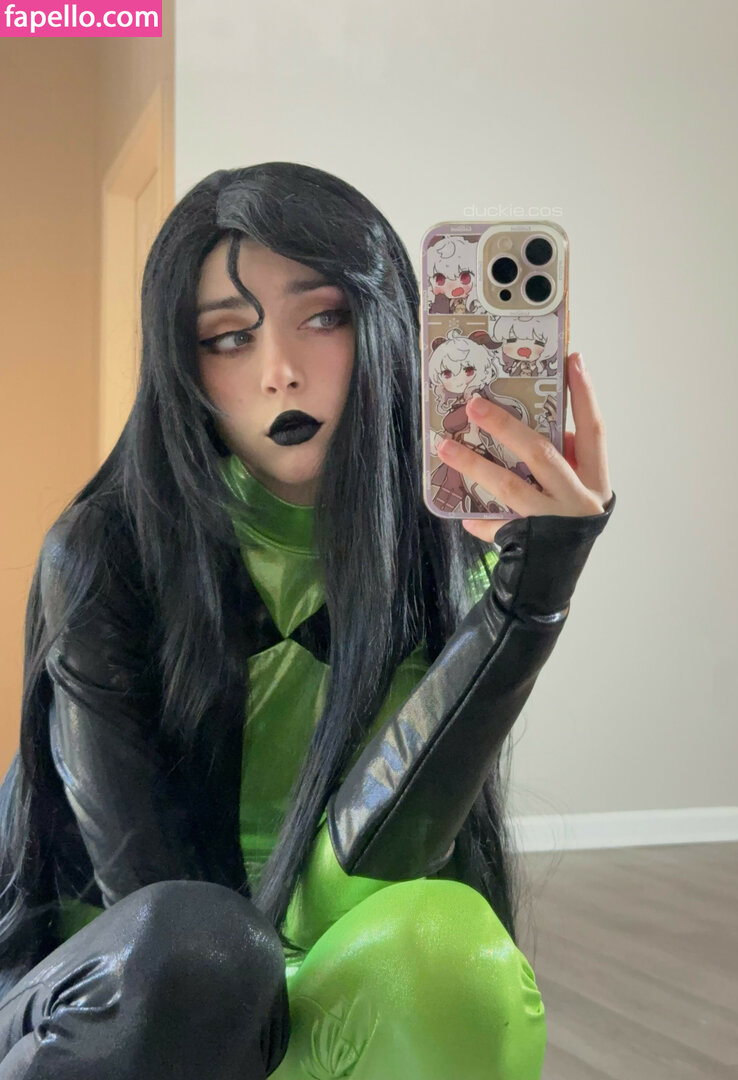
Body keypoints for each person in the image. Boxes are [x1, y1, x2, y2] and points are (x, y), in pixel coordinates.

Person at [0, 161, 615, 1079]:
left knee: (453, 960)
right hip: (134, 992)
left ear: (387, 325)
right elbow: (158, 912)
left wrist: (533, 597)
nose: (279, 371)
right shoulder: (104, 553)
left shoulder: (454, 548)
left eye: (324, 318)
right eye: (227, 338)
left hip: (325, 934)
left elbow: (371, 875)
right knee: (205, 953)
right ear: (182, 365)